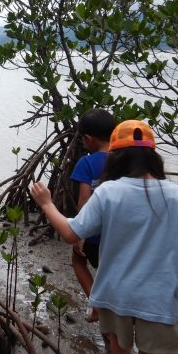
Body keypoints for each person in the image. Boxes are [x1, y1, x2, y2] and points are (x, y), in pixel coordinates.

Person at [29, 120, 178, 354]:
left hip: (114, 293)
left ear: (115, 158)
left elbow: (70, 232)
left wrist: (47, 203)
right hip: (157, 297)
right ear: (153, 158)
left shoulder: (108, 192)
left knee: (117, 343)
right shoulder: (175, 195)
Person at [69, 108, 115, 322]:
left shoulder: (86, 163)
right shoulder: (125, 160)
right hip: (119, 234)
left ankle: (97, 305)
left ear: (87, 139)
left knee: (78, 261)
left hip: (94, 236)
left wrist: (80, 234)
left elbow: (84, 202)